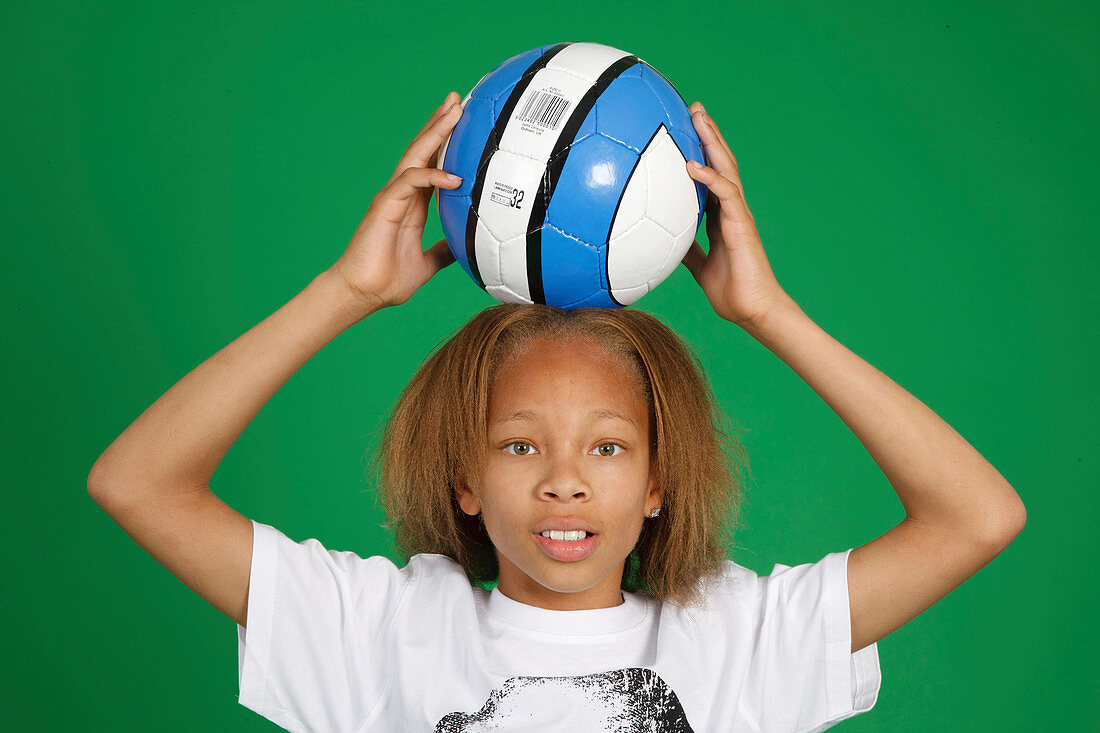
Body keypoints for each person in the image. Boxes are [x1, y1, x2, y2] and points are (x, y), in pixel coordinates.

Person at [88, 91, 1026, 731]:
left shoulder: (740, 640)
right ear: (463, 478)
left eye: (610, 448)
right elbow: (136, 484)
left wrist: (768, 313)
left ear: (660, 484)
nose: (565, 479)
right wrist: (346, 289)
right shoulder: (380, 632)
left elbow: (978, 517)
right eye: (519, 443)